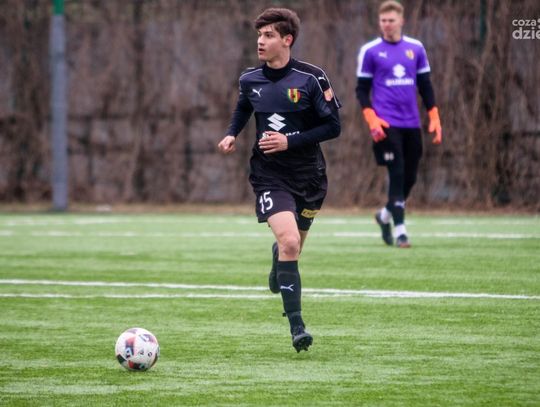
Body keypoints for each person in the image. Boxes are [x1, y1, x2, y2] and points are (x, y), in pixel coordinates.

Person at [218, 8, 341, 352]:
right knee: (290, 243)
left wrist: (290, 140)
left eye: (269, 35)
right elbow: (244, 107)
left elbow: (333, 127)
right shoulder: (249, 79)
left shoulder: (312, 78)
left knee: (293, 246)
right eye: (259, 35)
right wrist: (231, 134)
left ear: (287, 40)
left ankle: (279, 258)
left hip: (310, 177)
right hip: (269, 175)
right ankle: (297, 327)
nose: (260, 41)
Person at [356, 0, 442, 248]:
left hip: (411, 123)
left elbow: (425, 85)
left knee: (410, 177)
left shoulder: (416, 48)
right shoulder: (370, 51)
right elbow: (361, 89)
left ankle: (384, 215)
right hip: (385, 123)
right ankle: (401, 231)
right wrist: (371, 117)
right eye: (383, 20)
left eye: (391, 20)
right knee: (397, 173)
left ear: (401, 21)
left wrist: (434, 115)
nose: (387, 24)